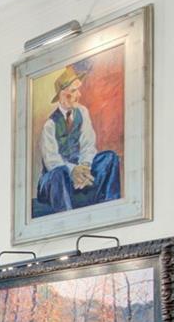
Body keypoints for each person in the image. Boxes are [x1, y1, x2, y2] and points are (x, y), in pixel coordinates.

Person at [33, 64, 122, 217]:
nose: (79, 95)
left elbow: (88, 144)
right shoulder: (50, 125)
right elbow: (52, 161)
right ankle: (68, 218)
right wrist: (73, 170)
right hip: (54, 179)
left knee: (110, 158)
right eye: (74, 91)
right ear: (62, 95)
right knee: (59, 172)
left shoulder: (82, 112)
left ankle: (109, 211)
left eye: (78, 90)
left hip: (79, 170)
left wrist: (85, 166)